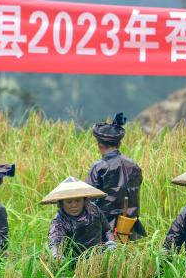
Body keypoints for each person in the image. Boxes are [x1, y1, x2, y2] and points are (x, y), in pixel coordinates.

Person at [87, 112, 145, 242]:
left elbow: (89, 199)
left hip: (106, 229)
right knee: (129, 254)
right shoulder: (134, 166)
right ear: (119, 144)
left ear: (99, 145)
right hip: (130, 227)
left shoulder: (99, 167)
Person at [40, 176, 115, 262]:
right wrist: (57, 255)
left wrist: (111, 243)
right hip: (74, 264)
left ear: (84, 201)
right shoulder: (59, 221)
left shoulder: (94, 210)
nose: (74, 205)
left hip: (98, 259)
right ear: (61, 203)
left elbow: (107, 230)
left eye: (78, 201)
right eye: (69, 202)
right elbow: (55, 241)